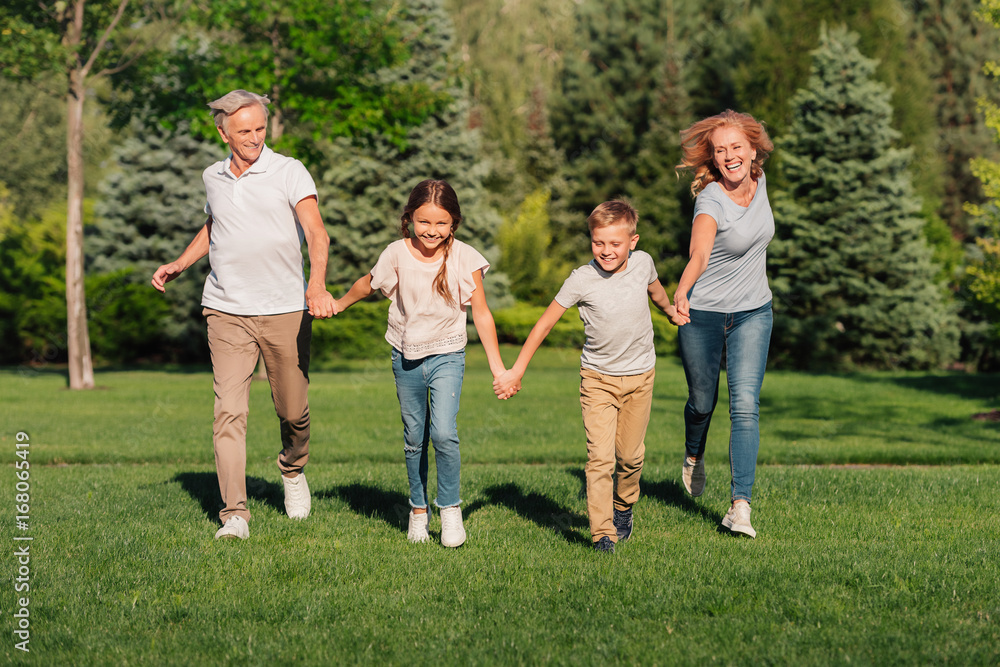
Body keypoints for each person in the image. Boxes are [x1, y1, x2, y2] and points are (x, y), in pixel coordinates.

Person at [151, 90, 335, 540]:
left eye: (259, 129)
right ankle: (234, 513)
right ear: (223, 133)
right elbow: (216, 225)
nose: (254, 138)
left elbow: (316, 232)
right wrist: (181, 262)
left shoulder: (288, 170)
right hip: (226, 309)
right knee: (228, 412)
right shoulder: (212, 176)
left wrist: (316, 283)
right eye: (244, 131)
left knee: (292, 410)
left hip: (285, 309)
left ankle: (292, 470)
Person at [493, 200, 687, 554]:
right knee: (600, 458)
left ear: (633, 241)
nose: (606, 251)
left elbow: (656, 290)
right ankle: (602, 533)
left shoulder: (643, 263)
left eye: (615, 244)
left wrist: (671, 311)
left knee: (630, 457)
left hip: (641, 376)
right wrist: (517, 369)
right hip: (597, 380)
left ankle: (624, 505)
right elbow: (545, 323)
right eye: (599, 243)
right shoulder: (581, 279)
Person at [332, 179, 507, 548]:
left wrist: (498, 369)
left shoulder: (465, 258)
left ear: (454, 223)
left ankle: (450, 510)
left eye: (441, 223)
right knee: (415, 439)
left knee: (443, 432)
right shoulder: (396, 253)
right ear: (409, 218)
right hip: (405, 356)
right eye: (424, 222)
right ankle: (417, 510)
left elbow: (483, 314)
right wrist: (339, 304)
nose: (432, 231)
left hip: (447, 355)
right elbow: (368, 283)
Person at [673, 110, 775, 539]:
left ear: (753, 150)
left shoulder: (761, 183)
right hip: (704, 315)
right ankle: (694, 453)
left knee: (745, 405)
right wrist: (681, 291)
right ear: (713, 159)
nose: (730, 156)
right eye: (720, 150)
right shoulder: (710, 200)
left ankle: (740, 506)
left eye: (737, 147)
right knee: (701, 401)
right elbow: (699, 253)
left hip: (754, 311)